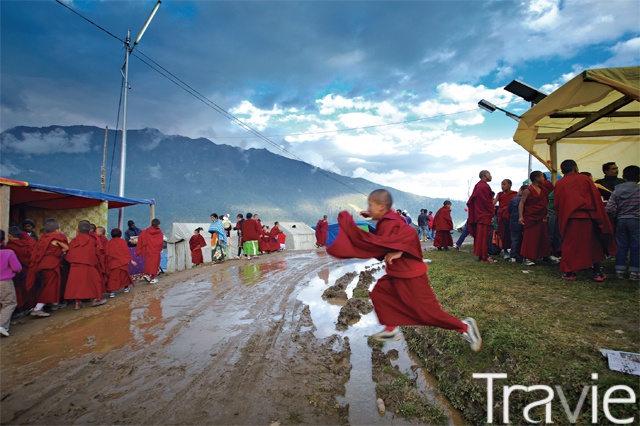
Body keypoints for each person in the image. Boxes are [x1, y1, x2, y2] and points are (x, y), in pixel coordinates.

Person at [326, 189, 481, 351]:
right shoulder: (389, 218)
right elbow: (396, 234)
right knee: (380, 293)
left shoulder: (389, 222)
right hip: (397, 274)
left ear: (381, 206)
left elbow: (390, 240)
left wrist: (350, 227)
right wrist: (374, 219)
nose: (369, 208)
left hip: (411, 275)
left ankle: (464, 326)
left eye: (370, 205)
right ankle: (391, 329)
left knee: (429, 314)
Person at [554, 160, 617, 281]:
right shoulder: (585, 179)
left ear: (562, 171)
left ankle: (570, 273)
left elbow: (557, 203)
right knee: (592, 243)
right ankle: (597, 272)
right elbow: (595, 198)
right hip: (588, 217)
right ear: (576, 168)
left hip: (569, 218)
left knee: (570, 245)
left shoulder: (560, 183)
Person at [26, 219, 69, 317]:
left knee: (47, 285)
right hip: (51, 265)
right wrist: (59, 251)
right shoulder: (54, 238)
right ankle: (38, 308)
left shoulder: (42, 238)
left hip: (42, 265)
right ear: (56, 230)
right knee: (49, 286)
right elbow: (66, 248)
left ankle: (54, 303)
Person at [605, 165, 639, 280]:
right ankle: (634, 272)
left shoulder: (617, 190)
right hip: (636, 221)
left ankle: (619, 270)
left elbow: (609, 208)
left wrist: (617, 216)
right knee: (636, 246)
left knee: (620, 245)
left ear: (623, 176)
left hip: (621, 220)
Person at [518, 171, 558, 266]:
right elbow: (522, 203)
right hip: (531, 217)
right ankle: (527, 257)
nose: (544, 179)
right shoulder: (528, 190)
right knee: (530, 238)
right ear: (536, 178)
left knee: (543, 237)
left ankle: (544, 255)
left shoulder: (542, 189)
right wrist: (521, 217)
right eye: (542, 177)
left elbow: (545, 201)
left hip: (541, 217)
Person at [64, 220, 106, 309]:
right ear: (89, 230)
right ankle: (96, 299)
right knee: (96, 280)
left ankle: (77, 303)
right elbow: (92, 253)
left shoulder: (74, 240)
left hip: (74, 265)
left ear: (78, 230)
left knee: (77, 284)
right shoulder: (91, 240)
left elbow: (69, 251)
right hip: (87, 264)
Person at [6, 226, 36, 316]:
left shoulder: (9, 247)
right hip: (27, 270)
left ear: (10, 236)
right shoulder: (26, 244)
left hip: (17, 272)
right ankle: (27, 307)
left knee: (17, 290)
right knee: (26, 290)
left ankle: (19, 309)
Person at [468, 170, 496, 263]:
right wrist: (492, 213)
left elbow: (472, 200)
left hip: (480, 214)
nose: (491, 176)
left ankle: (481, 255)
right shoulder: (484, 186)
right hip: (484, 215)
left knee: (480, 236)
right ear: (485, 175)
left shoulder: (478, 185)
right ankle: (484, 256)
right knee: (484, 237)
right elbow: (487, 202)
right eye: (489, 174)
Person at [0, 230, 22, 337]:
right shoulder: (8, 252)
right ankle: (2, 326)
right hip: (4, 282)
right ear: (3, 241)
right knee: (9, 303)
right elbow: (17, 268)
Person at [105, 228, 137, 297]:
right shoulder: (122, 242)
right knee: (124, 276)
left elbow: (107, 254)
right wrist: (131, 260)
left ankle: (112, 292)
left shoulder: (109, 243)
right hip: (122, 262)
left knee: (112, 278)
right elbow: (125, 252)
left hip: (113, 263)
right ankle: (126, 288)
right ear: (120, 234)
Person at [494, 179, 517, 260]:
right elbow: (494, 203)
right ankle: (505, 250)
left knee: (511, 232)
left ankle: (512, 250)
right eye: (501, 184)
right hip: (501, 216)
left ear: (510, 185)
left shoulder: (514, 194)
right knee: (503, 233)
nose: (502, 186)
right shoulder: (499, 194)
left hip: (511, 216)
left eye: (504, 184)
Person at [136, 218, 164, 284]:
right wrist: (160, 247)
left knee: (149, 263)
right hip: (156, 250)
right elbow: (160, 242)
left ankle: (147, 275)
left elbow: (141, 237)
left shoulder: (147, 230)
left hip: (149, 250)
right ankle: (152, 278)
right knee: (155, 265)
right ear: (157, 225)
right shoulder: (159, 232)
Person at [507, 186, 527, 263]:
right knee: (523, 240)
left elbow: (509, 210)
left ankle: (513, 256)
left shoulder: (514, 199)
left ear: (521, 191)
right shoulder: (528, 200)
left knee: (515, 240)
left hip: (514, 222)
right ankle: (522, 255)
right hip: (524, 222)